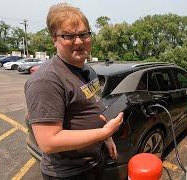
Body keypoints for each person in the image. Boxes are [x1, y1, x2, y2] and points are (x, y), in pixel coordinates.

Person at [24, 3, 123, 179]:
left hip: (94, 162)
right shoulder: (47, 80)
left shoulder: (88, 70)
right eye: (68, 36)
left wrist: (107, 140)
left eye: (84, 34)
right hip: (69, 173)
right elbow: (48, 142)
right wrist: (104, 132)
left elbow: (93, 106)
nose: (78, 41)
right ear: (54, 39)